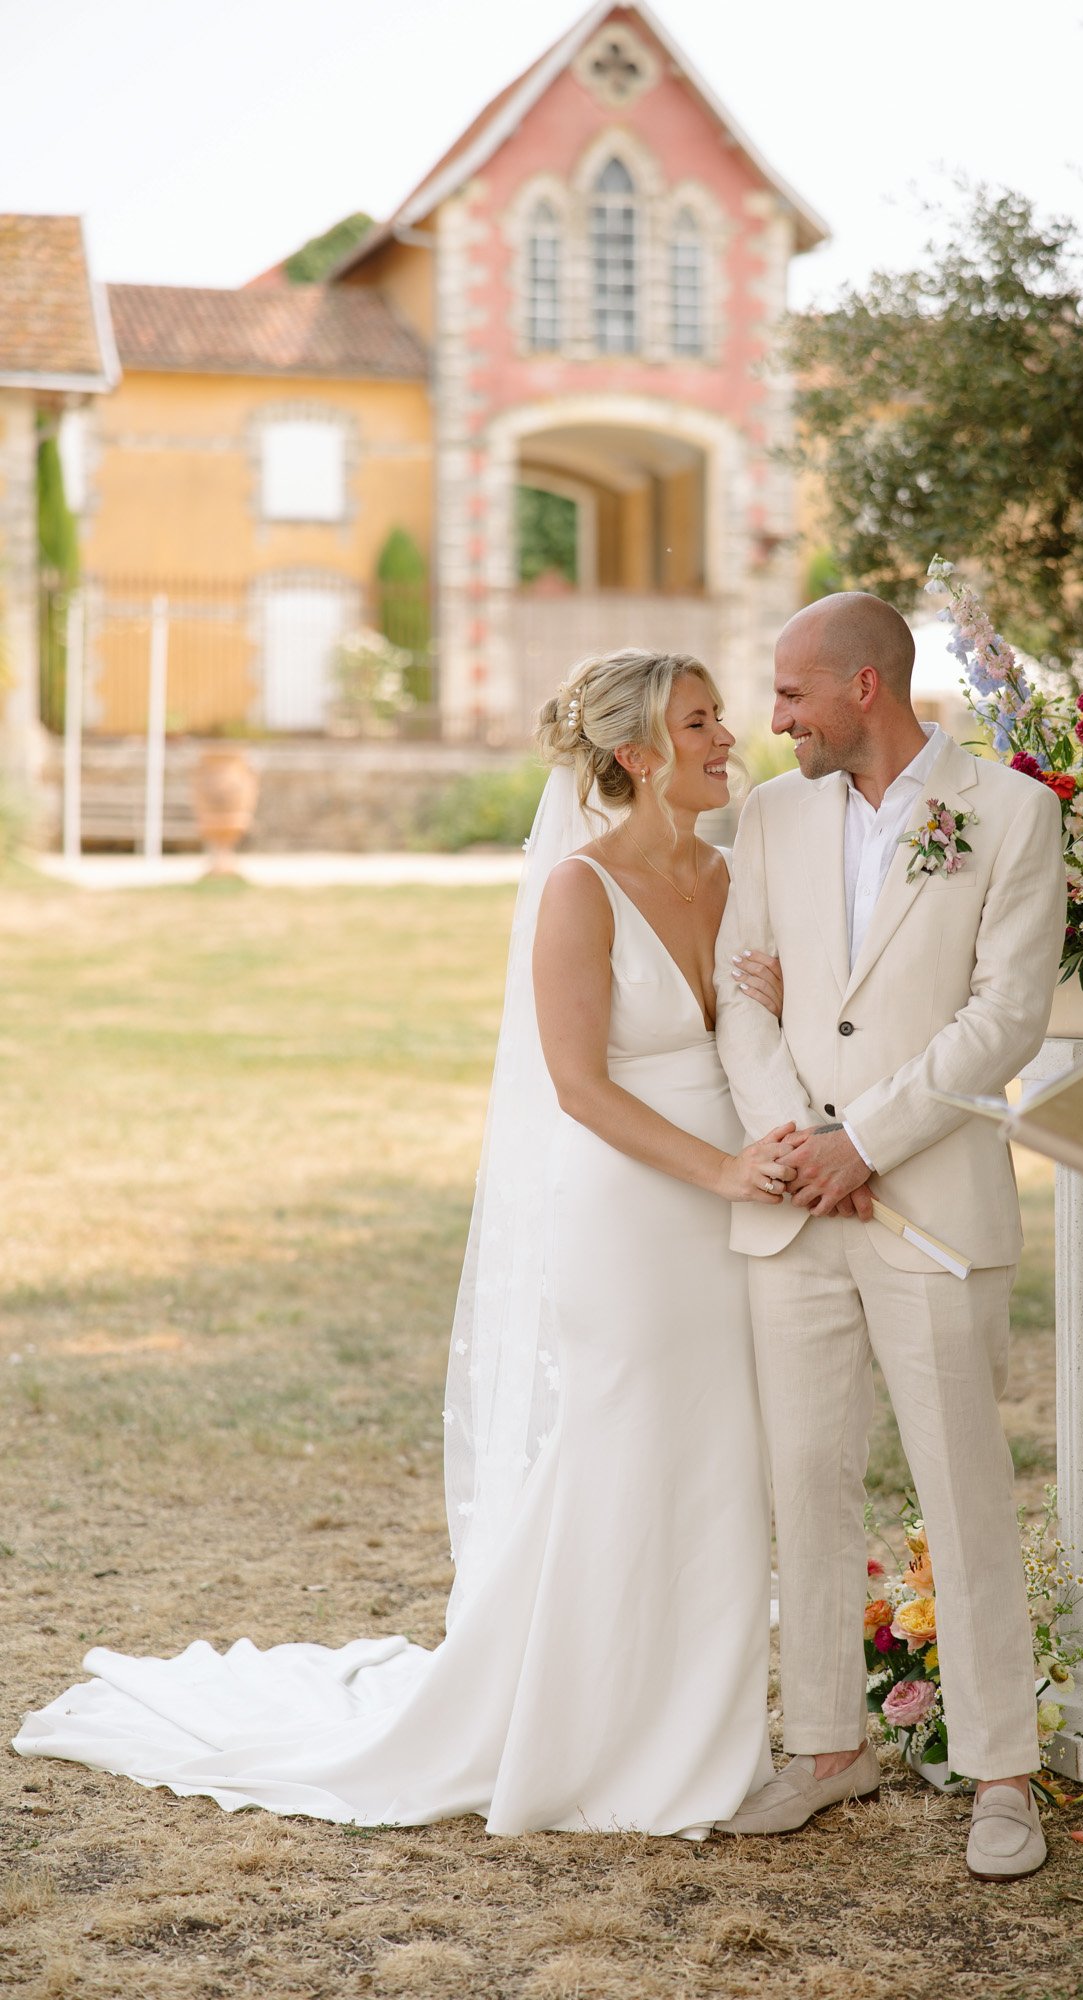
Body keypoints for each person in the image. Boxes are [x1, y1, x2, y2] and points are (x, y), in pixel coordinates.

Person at [14, 647, 795, 1837]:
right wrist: (724, 1169)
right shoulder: (579, 891)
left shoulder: (734, 872)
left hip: (731, 1207)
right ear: (637, 752)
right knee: (625, 1454)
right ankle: (575, 1735)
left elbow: (745, 1032)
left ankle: (699, 1734)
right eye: (700, 722)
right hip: (634, 1211)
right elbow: (579, 1086)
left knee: (718, 1459)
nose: (727, 737)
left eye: (721, 718)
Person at [714, 591, 1065, 1880]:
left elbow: (1005, 1015)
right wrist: (804, 1143)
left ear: (865, 686)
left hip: (933, 1208)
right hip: (796, 1212)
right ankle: (824, 1742)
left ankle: (999, 1770)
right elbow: (737, 996)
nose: (773, 718)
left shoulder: (1013, 813)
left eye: (792, 693)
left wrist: (868, 1140)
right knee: (804, 1478)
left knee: (961, 1490)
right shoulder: (766, 814)